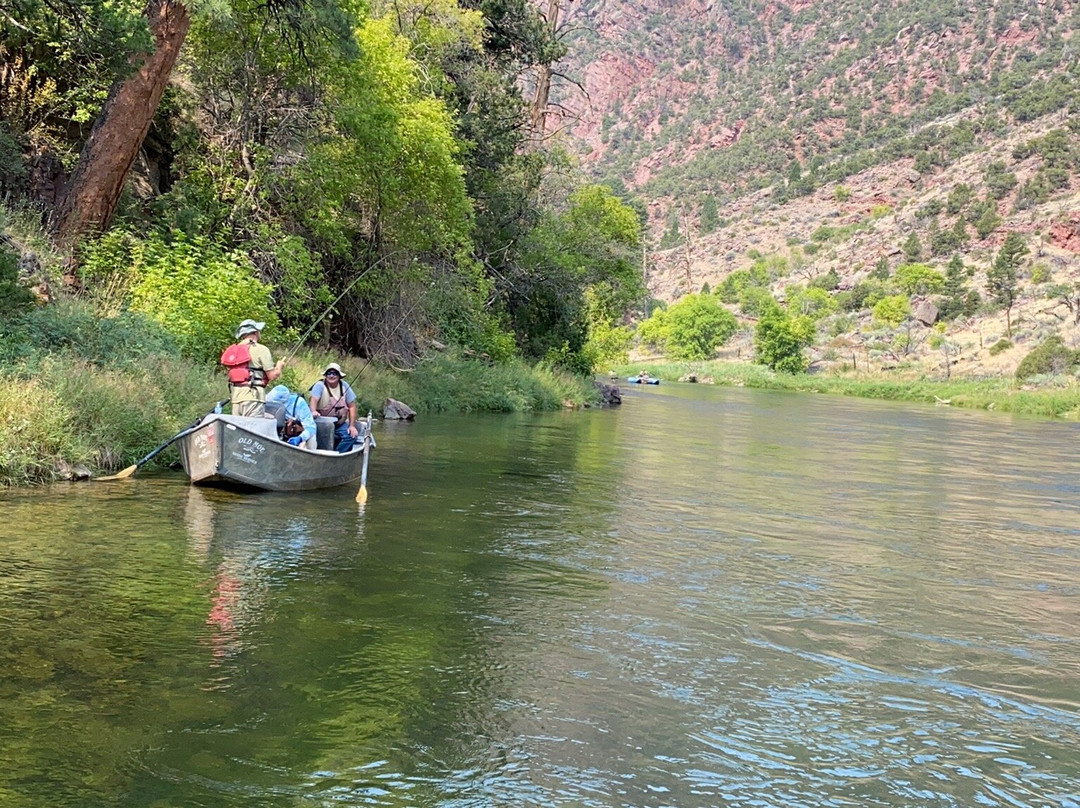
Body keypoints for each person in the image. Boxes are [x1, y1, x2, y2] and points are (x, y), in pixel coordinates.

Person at [225, 319, 284, 418]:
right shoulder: (261, 349)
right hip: (254, 398)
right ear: (256, 332)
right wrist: (279, 366)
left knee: (239, 431)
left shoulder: (234, 350)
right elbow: (272, 376)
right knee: (252, 429)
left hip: (236, 399)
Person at [309, 362, 358, 452]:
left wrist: (352, 426)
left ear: (339, 376)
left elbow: (352, 406)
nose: (331, 376)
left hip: (340, 425)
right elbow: (313, 400)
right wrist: (313, 411)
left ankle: (338, 454)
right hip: (321, 425)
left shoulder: (345, 386)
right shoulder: (319, 386)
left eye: (334, 373)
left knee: (352, 436)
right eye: (329, 373)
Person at [265, 385, 317, 450]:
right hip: (271, 434)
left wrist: (300, 438)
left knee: (311, 438)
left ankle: (311, 457)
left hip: (293, 435)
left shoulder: (299, 403)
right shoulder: (265, 401)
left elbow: (311, 427)